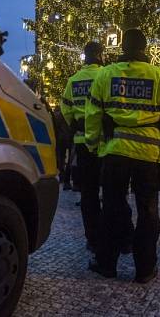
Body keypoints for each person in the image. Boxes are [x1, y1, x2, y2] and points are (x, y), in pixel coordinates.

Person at [85, 29, 160, 283]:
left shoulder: (106, 74)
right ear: (145, 48)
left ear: (122, 47)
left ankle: (107, 263)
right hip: (148, 152)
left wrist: (92, 144)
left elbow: (93, 112)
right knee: (148, 210)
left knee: (112, 207)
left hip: (115, 150)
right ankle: (145, 269)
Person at [60, 41, 105, 252]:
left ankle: (93, 238)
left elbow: (65, 109)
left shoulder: (74, 80)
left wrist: (77, 124)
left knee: (88, 194)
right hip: (105, 143)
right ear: (100, 55)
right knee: (113, 192)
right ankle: (115, 236)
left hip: (82, 142)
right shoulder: (105, 75)